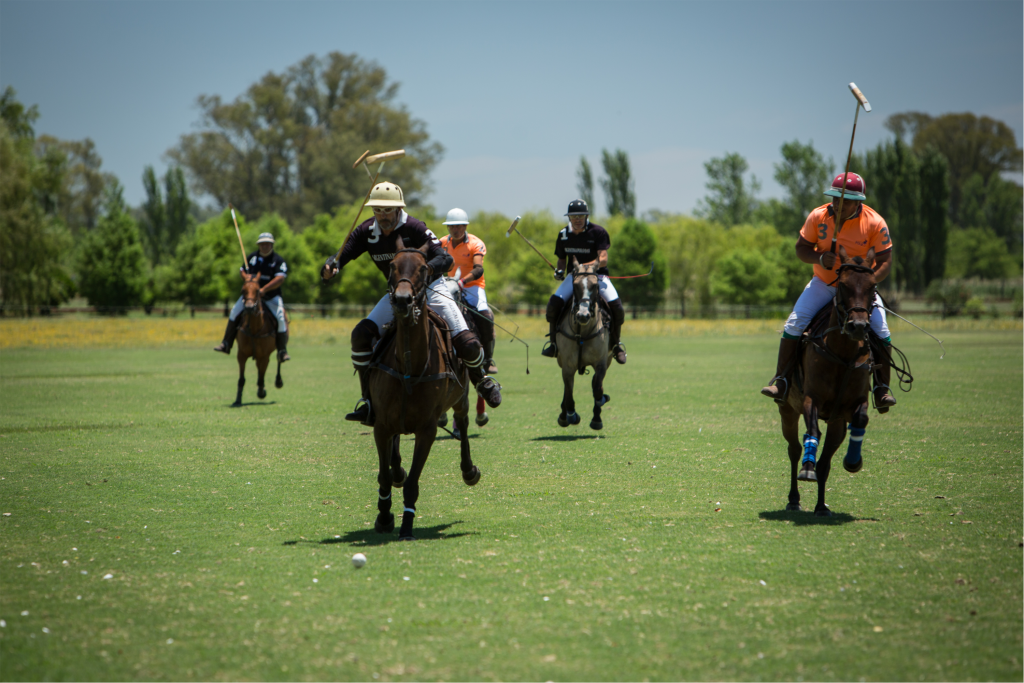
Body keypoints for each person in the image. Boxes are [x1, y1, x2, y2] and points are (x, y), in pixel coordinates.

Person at [320, 182, 501, 426]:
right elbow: (344, 253)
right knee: (361, 335)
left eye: (388, 210)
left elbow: (444, 257)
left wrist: (424, 270)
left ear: (398, 209)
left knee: (466, 340)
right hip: (397, 295)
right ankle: (368, 400)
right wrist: (332, 266)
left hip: (431, 289)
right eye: (378, 210)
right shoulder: (366, 231)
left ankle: (480, 379)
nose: (382, 216)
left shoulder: (414, 227)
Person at [761, 172, 897, 411]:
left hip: (858, 291)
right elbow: (801, 248)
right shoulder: (818, 216)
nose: (837, 204)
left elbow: (886, 259)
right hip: (824, 283)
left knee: (881, 330)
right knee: (794, 323)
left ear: (858, 202)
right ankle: (781, 380)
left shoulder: (875, 222)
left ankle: (881, 388)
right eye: (835, 198)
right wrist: (820, 257)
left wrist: (867, 282)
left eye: (844, 201)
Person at [540, 199, 627, 365]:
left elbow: (603, 259)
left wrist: (583, 267)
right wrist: (559, 271)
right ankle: (553, 344)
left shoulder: (598, 232)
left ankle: (616, 345)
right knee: (553, 304)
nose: (577, 219)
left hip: (597, 277)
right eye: (574, 216)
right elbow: (561, 260)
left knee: (617, 307)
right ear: (569, 218)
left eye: (581, 216)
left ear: (587, 216)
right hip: (574, 278)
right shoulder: (564, 234)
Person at [214, 232, 290, 362]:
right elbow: (242, 271)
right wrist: (245, 277)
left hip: (271, 297)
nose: (264, 246)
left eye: (267, 244)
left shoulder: (277, 260)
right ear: (258, 245)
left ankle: (282, 351)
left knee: (281, 318)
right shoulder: (251, 258)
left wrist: (264, 289)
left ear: (272, 245)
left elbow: (280, 278)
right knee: (234, 312)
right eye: (262, 244)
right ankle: (226, 343)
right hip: (251, 297)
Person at [439, 208, 498, 374]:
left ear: (465, 226)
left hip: (472, 285)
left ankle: (488, 359)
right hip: (450, 284)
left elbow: (479, 269)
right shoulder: (442, 242)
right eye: (451, 227)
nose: (455, 230)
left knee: (485, 315)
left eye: (458, 226)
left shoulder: (475, 243)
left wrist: (463, 281)